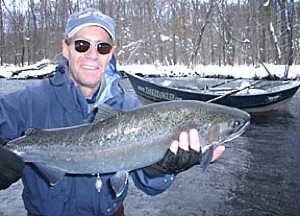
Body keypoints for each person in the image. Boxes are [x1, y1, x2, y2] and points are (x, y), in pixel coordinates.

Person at [0, 8, 225, 216]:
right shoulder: (27, 103)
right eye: (81, 45)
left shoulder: (130, 109)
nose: (92, 54)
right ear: (65, 48)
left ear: (111, 53)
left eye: (102, 47)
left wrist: (162, 170)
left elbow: (150, 186)